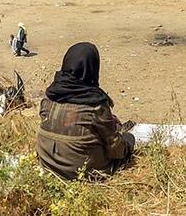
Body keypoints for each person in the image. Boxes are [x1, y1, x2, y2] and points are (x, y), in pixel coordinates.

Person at [37, 43, 135, 180]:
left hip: (48, 165)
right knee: (129, 139)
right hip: (82, 173)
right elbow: (116, 150)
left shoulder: (49, 97)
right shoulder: (95, 106)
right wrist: (126, 140)